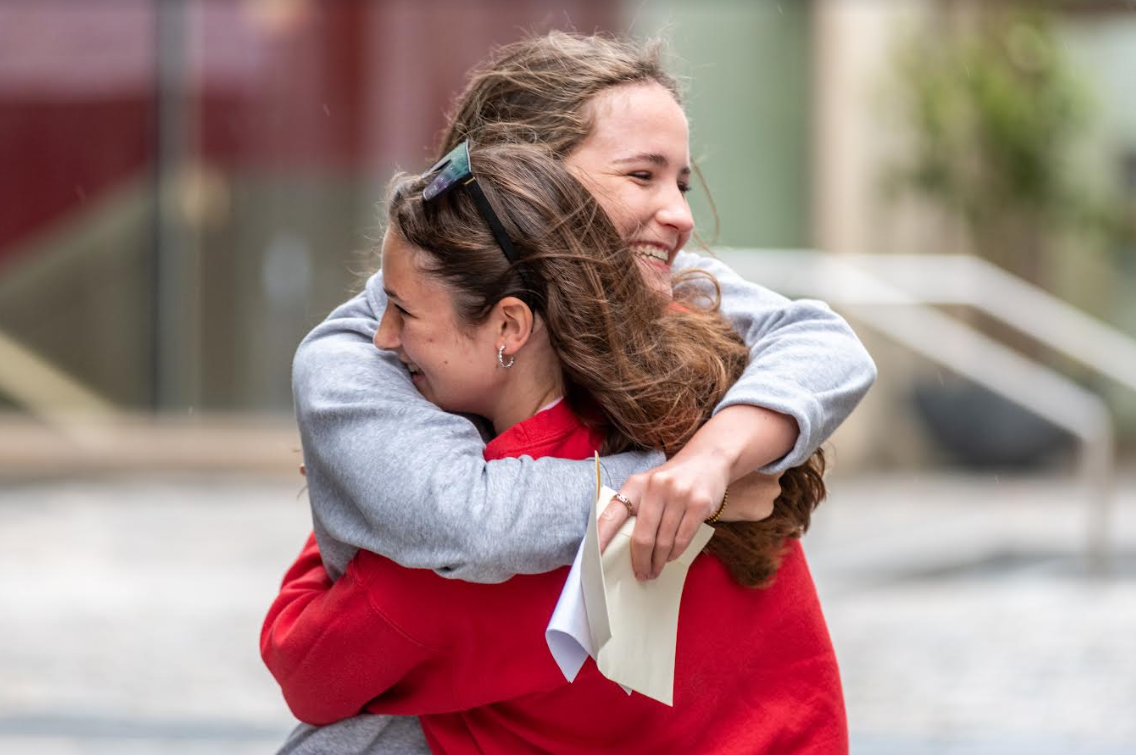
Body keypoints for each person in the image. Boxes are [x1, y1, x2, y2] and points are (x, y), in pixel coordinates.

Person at [278, 30, 874, 753]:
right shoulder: (355, 360)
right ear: (526, 181)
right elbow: (468, 520)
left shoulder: (669, 316)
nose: (682, 216)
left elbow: (824, 340)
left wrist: (710, 460)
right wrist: (683, 482)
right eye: (642, 176)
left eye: (680, 183)